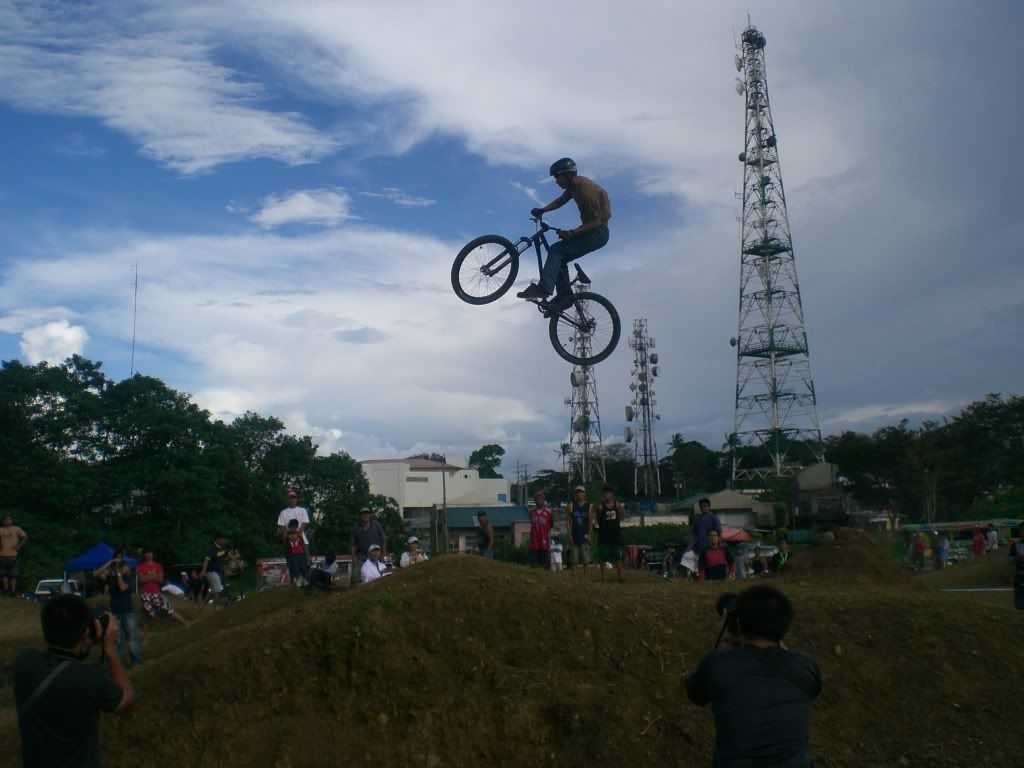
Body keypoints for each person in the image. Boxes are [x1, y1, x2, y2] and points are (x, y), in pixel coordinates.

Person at [686, 585, 821, 768]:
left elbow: (695, 694)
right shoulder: (806, 667)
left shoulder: (717, 665)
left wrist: (729, 642)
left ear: (739, 625)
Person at [14, 594, 134, 767]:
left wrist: (81, 641)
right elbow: (127, 700)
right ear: (86, 633)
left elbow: (59, 654)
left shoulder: (24, 663)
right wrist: (109, 649)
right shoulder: (92, 679)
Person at [516, 157, 612, 311]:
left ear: (568, 175)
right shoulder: (574, 186)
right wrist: (543, 210)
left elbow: (596, 222)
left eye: (557, 177)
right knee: (559, 258)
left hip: (598, 233)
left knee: (556, 250)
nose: (556, 181)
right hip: (593, 231)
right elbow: (561, 200)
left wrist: (572, 233)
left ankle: (544, 288)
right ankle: (565, 297)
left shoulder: (586, 191)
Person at [93, 552, 142, 668]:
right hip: (115, 612)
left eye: (122, 566)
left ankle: (136, 662)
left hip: (127, 611)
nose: (123, 568)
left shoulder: (127, 577)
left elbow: (122, 587)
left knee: (132, 639)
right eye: (120, 566)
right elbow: (96, 574)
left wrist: (118, 573)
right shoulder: (111, 577)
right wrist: (110, 562)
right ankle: (118, 665)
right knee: (118, 641)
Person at [136, 547, 188, 626]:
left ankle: (186, 623)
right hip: (145, 594)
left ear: (152, 554)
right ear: (144, 555)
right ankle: (147, 634)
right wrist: (154, 576)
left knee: (169, 609)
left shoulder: (158, 566)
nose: (149, 555)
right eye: (147, 553)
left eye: (150, 553)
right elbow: (141, 580)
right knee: (148, 615)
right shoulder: (140, 566)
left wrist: (148, 577)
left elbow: (160, 580)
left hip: (156, 593)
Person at [594, 485, 625, 582]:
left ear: (612, 494)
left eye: (608, 492)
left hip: (615, 535)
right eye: (605, 492)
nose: (606, 494)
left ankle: (620, 577)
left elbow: (620, 517)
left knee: (618, 557)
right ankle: (603, 578)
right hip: (604, 536)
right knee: (603, 557)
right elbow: (598, 520)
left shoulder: (617, 505)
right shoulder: (600, 507)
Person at [350, 507, 387, 584]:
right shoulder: (355, 528)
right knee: (355, 576)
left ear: (370, 515)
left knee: (383, 576)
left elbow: (383, 541)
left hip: (376, 556)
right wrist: (354, 559)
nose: (365, 515)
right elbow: (353, 545)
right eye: (363, 514)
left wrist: (383, 555)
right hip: (361, 557)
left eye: (367, 513)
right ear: (360, 516)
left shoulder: (377, 525)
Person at [278, 489, 311, 565]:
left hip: (302, 541)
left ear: (296, 499)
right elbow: (281, 525)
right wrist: (289, 536)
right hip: (289, 542)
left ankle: (307, 574)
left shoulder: (302, 510)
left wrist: (297, 534)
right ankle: (294, 576)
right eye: (291, 498)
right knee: (292, 564)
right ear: (288, 499)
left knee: (306, 563)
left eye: (294, 497)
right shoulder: (283, 512)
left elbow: (304, 522)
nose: (292, 499)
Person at [567, 485, 593, 578]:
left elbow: (590, 522)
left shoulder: (589, 506)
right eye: (577, 492)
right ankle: (575, 578)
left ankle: (586, 578)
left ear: (584, 494)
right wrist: (569, 535)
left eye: (581, 492)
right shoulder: (571, 506)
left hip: (584, 536)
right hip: (574, 536)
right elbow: (569, 522)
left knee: (586, 560)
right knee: (574, 560)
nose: (579, 494)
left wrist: (590, 535)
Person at [199, 534, 232, 607]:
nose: (224, 541)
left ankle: (200, 607)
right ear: (218, 539)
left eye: (224, 539)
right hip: (211, 572)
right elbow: (206, 559)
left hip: (217, 572)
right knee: (218, 591)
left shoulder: (223, 547)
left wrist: (237, 561)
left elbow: (228, 555)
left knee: (212, 592)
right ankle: (216, 609)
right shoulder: (212, 549)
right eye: (223, 539)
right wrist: (203, 571)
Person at [1, 514, 28, 597]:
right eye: (6, 520)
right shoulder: (0, 530)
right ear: (3, 521)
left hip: (13, 555)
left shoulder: (16, 529)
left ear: (12, 521)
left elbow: (25, 536)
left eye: (9, 519)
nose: (8, 521)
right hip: (2, 555)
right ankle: (5, 591)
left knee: (13, 575)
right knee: (3, 574)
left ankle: (13, 592)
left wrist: (19, 546)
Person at [527, 491, 554, 569]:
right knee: (534, 565)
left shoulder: (549, 512)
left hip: (544, 542)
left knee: (545, 565)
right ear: (534, 500)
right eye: (537, 498)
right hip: (534, 542)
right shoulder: (531, 512)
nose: (539, 500)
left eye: (541, 498)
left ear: (543, 500)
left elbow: (551, 524)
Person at [284, 519, 310, 586]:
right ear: (289, 527)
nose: (293, 529)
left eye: (294, 527)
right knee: (295, 568)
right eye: (292, 527)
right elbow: (285, 544)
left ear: (296, 527)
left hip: (300, 553)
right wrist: (286, 537)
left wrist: (304, 552)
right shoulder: (286, 535)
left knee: (303, 567)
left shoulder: (298, 533)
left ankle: (306, 580)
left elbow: (302, 542)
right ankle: (297, 581)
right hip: (292, 555)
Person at [1008, 526, 1024, 610]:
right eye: (1022, 530)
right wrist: (1018, 557)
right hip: (1019, 578)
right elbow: (1010, 561)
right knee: (1019, 606)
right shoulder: (1015, 545)